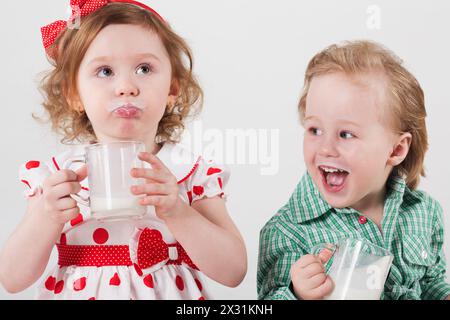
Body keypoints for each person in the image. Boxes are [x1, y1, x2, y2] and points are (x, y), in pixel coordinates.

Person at [0, 0, 246, 300]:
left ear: (172, 88)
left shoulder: (190, 174)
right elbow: (12, 279)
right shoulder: (58, 177)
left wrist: (177, 211)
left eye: (144, 68)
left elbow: (234, 271)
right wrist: (46, 217)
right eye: (105, 71)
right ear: (74, 94)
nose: (126, 86)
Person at [257, 40, 450, 300]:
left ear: (395, 150)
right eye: (315, 130)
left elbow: (431, 285)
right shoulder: (287, 232)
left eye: (346, 134)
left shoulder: (423, 212)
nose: (326, 148)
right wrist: (298, 293)